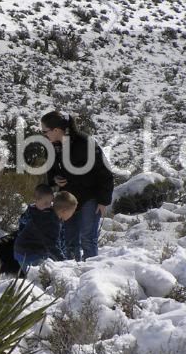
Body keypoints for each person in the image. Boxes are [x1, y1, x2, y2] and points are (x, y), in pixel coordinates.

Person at [41, 111, 114, 261]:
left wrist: (103, 200)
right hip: (67, 198)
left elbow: (104, 172)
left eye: (44, 131)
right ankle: (72, 274)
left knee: (88, 238)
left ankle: (91, 275)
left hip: (90, 197)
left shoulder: (85, 143)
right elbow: (51, 170)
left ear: (56, 130)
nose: (43, 135)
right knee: (69, 240)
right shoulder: (52, 146)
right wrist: (55, 180)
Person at [14, 184, 77, 269]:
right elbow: (52, 245)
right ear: (64, 211)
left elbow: (55, 242)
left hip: (26, 250)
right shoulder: (51, 221)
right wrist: (63, 262)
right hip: (28, 253)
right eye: (72, 212)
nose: (72, 215)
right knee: (37, 277)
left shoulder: (51, 216)